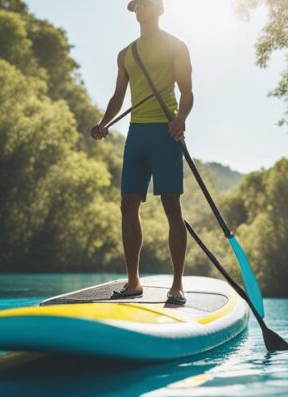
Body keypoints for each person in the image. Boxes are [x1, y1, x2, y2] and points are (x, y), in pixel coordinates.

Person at [90, 0, 193, 305]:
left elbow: (187, 92)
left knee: (171, 207)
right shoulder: (126, 54)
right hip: (136, 136)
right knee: (127, 205)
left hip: (165, 132)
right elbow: (118, 96)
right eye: (135, 6)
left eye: (145, 4)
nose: (139, 10)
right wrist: (102, 123)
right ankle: (133, 282)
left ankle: (177, 285)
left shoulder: (177, 46)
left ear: (159, 9)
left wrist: (180, 119)